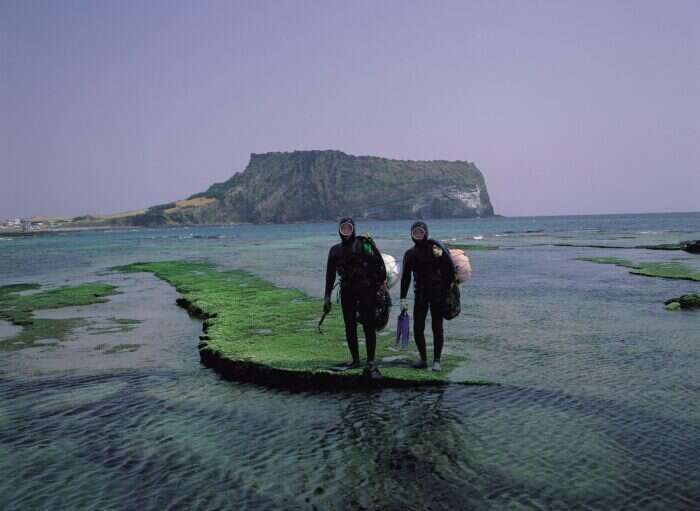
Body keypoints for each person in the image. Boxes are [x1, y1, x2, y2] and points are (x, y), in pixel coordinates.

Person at [324, 217, 386, 379]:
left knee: (368, 325)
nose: (345, 231)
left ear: (353, 229)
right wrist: (327, 297)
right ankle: (356, 360)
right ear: (339, 230)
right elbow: (330, 276)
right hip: (347, 291)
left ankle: (371, 361)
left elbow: (379, 265)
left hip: (366, 290)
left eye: (348, 228)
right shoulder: (334, 250)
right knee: (349, 326)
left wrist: (379, 288)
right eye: (343, 228)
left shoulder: (363, 244)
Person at [399, 221, 457, 371]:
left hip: (438, 294)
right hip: (420, 295)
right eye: (415, 233)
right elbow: (405, 278)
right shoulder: (410, 254)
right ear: (411, 235)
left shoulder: (435, 249)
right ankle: (423, 359)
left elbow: (450, 268)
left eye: (420, 232)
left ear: (426, 233)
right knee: (418, 328)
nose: (418, 235)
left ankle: (437, 360)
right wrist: (403, 299)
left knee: (437, 327)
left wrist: (447, 290)